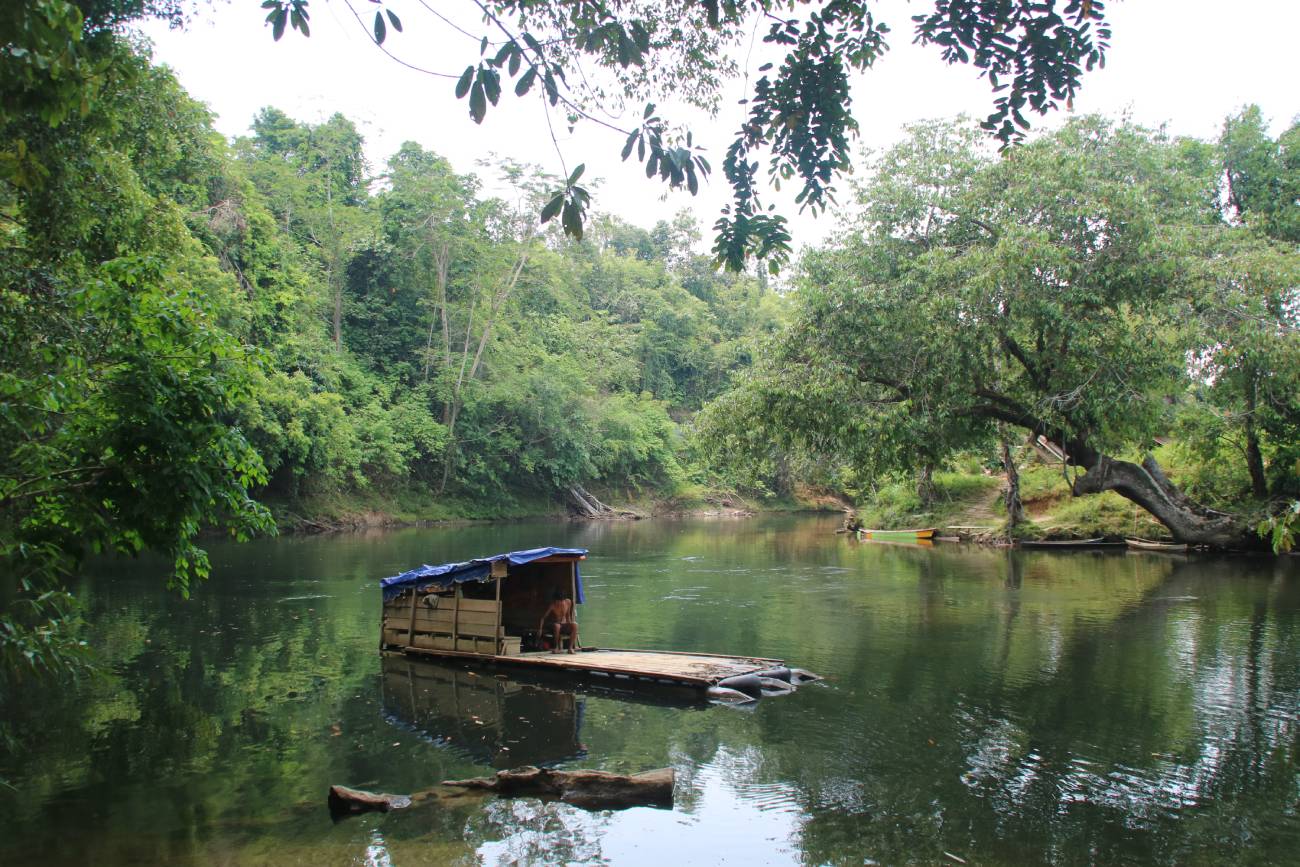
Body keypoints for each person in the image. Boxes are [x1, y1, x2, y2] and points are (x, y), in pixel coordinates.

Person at [538, 589, 579, 654]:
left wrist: (570, 625)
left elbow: (568, 616)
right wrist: (540, 629)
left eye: (561, 601)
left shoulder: (568, 602)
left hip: (564, 625)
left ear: (564, 600)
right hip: (555, 625)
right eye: (557, 601)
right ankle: (556, 647)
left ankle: (570, 648)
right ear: (555, 600)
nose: (559, 603)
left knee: (575, 624)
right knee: (557, 626)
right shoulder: (552, 605)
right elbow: (543, 618)